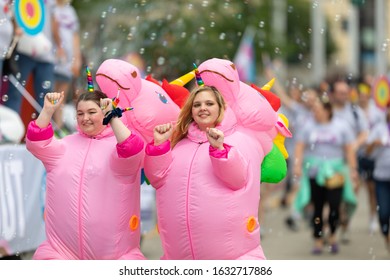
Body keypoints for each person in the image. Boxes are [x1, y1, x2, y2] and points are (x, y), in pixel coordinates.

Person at [144, 85, 267, 260]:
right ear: (190, 110)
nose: (203, 108)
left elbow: (238, 179)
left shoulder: (238, 139)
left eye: (209, 103)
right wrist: (159, 146)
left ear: (221, 108)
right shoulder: (180, 144)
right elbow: (157, 178)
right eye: (197, 105)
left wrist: (219, 149)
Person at [25, 89, 146, 259]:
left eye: (91, 112)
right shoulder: (65, 146)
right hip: (61, 253)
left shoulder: (117, 147)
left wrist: (113, 117)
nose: (84, 118)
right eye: (80, 113)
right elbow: (36, 143)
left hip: (113, 256)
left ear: (104, 112)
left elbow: (133, 150)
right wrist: (47, 110)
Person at [293, 95, 358, 255]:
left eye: (318, 110)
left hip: (335, 173)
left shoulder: (341, 126)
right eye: (314, 110)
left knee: (335, 206)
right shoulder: (308, 126)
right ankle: (318, 239)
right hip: (315, 172)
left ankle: (333, 235)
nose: (315, 112)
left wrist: (353, 169)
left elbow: (348, 149)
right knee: (318, 206)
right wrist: (297, 166)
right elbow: (300, 146)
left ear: (328, 111)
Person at [4, 0, 65, 114]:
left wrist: (60, 47)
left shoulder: (51, 3)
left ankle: (43, 129)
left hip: (46, 54)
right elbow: (14, 12)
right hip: (25, 50)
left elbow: (54, 22)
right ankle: (10, 128)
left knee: (46, 97)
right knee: (16, 92)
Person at [52, 0, 81, 137]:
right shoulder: (50, 6)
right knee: (51, 93)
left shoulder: (70, 11)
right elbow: (52, 28)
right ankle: (49, 127)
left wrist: (77, 58)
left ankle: (59, 127)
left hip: (68, 60)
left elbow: (75, 37)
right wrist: (59, 48)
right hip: (53, 57)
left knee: (62, 95)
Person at [365, 105, 390, 253]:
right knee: (384, 213)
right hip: (381, 178)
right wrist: (374, 144)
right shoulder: (379, 129)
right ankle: (387, 236)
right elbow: (367, 153)